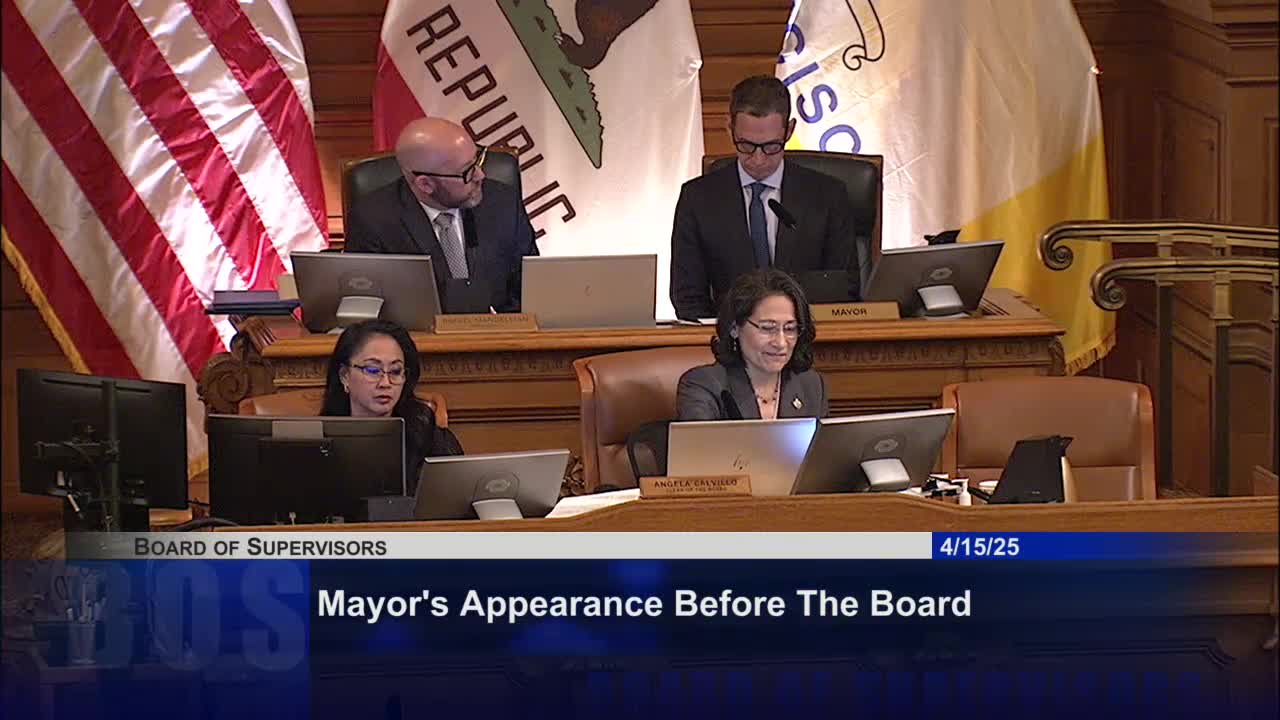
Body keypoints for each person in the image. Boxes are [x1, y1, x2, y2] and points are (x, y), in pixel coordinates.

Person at [670, 75, 855, 319]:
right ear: (729, 128)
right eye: (746, 145)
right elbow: (688, 297)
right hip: (729, 337)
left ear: (789, 130)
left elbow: (844, 289)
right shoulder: (698, 199)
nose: (758, 159)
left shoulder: (828, 196)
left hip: (809, 334)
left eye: (771, 146)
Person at [344, 117, 538, 313]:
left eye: (477, 161)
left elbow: (529, 285)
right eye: (467, 172)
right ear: (425, 184)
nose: (480, 175)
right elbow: (369, 304)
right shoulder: (373, 220)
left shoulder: (503, 202)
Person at [320, 319, 463, 490]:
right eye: (373, 370)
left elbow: (460, 493)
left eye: (395, 371)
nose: (385, 383)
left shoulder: (427, 436)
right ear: (344, 375)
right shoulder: (321, 444)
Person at [676, 269, 827, 421]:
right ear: (734, 328)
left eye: (790, 329)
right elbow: (702, 437)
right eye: (767, 328)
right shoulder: (704, 385)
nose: (781, 343)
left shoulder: (810, 385)